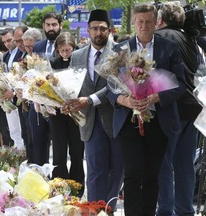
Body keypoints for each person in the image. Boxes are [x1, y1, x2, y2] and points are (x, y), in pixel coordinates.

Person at [107, 3, 186, 215]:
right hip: (128, 121)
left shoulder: (169, 47)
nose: (144, 26)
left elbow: (181, 83)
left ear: (156, 22)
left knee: (153, 175)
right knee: (132, 174)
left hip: (159, 121)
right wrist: (124, 100)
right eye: (140, 21)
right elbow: (109, 86)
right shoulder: (120, 50)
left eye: (148, 22)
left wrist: (156, 97)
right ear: (133, 22)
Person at [65, 9, 124, 211]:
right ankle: (94, 211)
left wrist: (89, 100)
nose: (98, 32)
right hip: (89, 121)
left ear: (110, 30)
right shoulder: (77, 56)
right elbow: (72, 85)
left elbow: (116, 85)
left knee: (116, 169)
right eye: (94, 28)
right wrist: (65, 101)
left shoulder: (120, 52)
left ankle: (109, 210)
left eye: (102, 28)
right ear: (87, 30)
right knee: (95, 170)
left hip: (116, 118)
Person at [155, 2, 202, 215]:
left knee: (165, 163)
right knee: (185, 164)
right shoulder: (191, 40)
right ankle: (185, 211)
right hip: (192, 108)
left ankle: (165, 210)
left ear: (161, 19)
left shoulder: (161, 38)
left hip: (170, 108)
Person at [49, 32, 85, 194]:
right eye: (62, 50)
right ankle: (59, 185)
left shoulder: (79, 62)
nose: (65, 53)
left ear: (73, 48)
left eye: (68, 50)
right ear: (57, 50)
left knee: (77, 150)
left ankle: (77, 185)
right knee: (59, 150)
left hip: (76, 112)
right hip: (57, 113)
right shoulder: (51, 63)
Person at [28, 12, 62, 166]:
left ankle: (59, 181)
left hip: (60, 103)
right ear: (43, 26)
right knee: (38, 142)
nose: (51, 28)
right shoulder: (38, 46)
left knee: (59, 147)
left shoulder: (67, 44)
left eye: (54, 24)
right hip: (38, 103)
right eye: (48, 25)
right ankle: (40, 178)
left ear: (60, 25)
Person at [0, 28, 26, 150]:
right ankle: (18, 150)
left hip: (20, 94)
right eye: (4, 42)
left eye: (9, 40)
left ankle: (23, 151)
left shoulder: (22, 53)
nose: (7, 43)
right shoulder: (6, 56)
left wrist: (14, 91)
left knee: (22, 128)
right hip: (8, 96)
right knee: (13, 126)